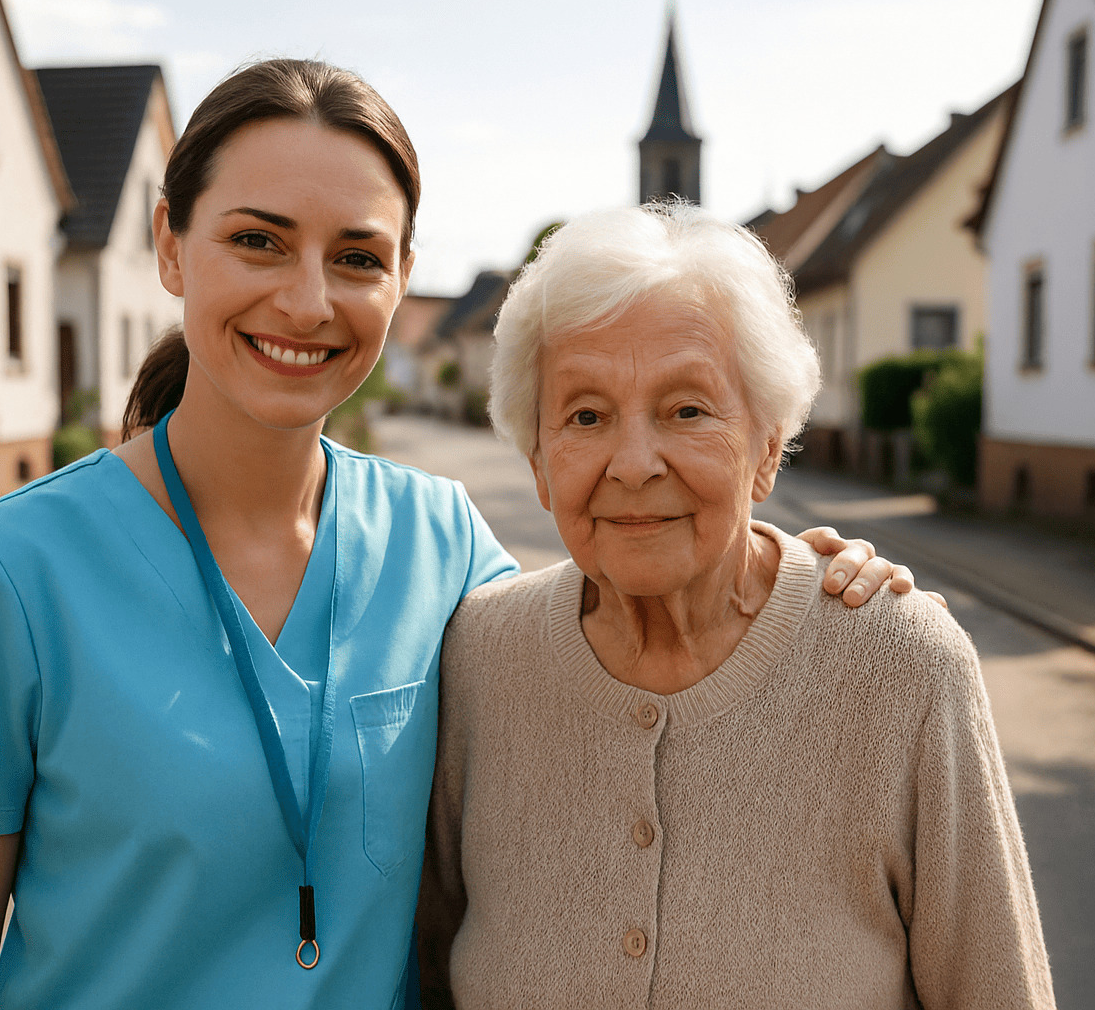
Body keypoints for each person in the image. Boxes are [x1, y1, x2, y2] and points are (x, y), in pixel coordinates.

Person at [0, 60, 921, 1009]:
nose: (307, 299)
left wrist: (789, 572)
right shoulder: (10, 571)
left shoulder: (441, 539)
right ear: (171, 248)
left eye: (357, 256)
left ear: (402, 278)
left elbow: (614, 646)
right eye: (257, 241)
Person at [418, 202, 1056, 1009]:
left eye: (687, 410)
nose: (634, 461)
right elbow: (426, 973)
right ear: (539, 460)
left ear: (764, 448)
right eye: (586, 416)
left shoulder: (902, 666)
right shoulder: (479, 658)